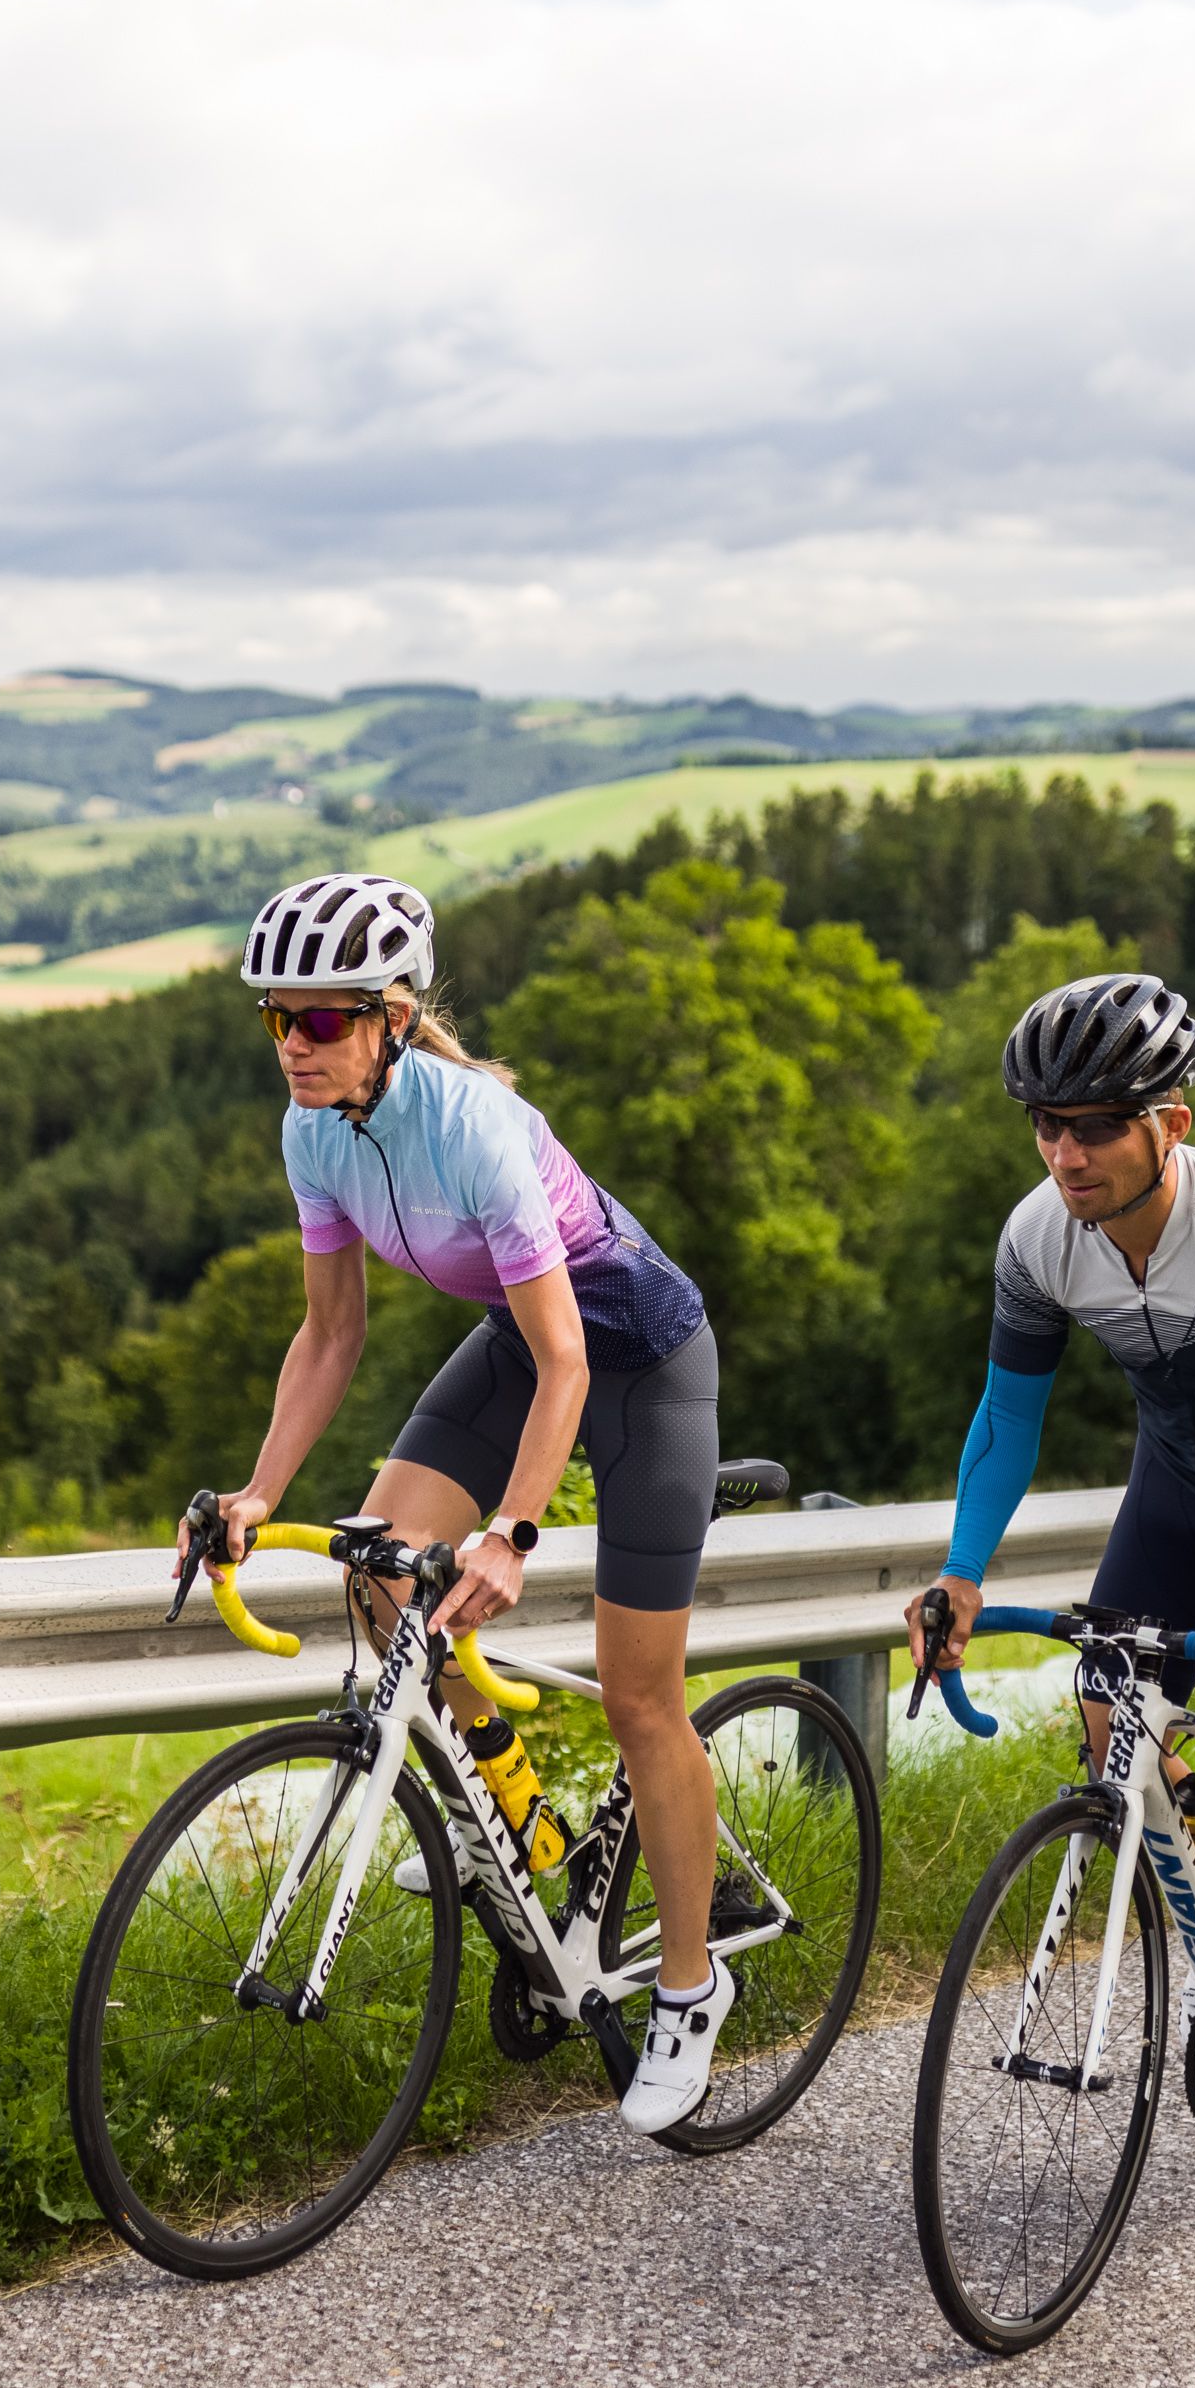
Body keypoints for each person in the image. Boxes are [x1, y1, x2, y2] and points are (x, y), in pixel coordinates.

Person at [212, 871, 739, 2136]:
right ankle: (507, 1816)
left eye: (324, 1019)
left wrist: (512, 1529)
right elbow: (328, 1334)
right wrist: (258, 1489)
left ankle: (685, 1980)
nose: (295, 1042)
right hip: (523, 1347)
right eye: (278, 1018)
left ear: (391, 1018)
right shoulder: (311, 1132)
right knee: (380, 1567)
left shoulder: (476, 1127)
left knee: (637, 1695)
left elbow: (572, 1360)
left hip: (638, 1362)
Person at [903, 971, 1195, 2117]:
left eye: (1098, 1127)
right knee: (1107, 1713)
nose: (1066, 1155)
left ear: (1171, 1122)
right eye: (1047, 1126)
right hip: (1175, 1484)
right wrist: (961, 1572)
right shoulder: (1037, 1239)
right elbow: (1007, 1417)